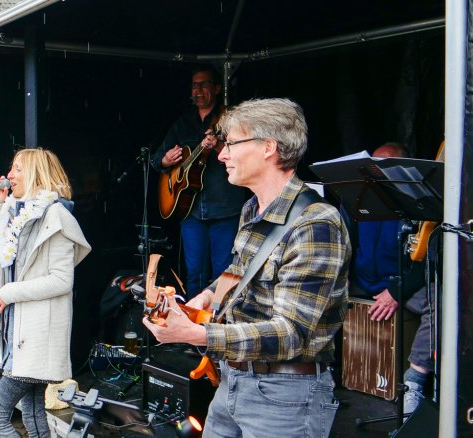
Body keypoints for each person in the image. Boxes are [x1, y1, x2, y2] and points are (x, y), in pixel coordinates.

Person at [143, 98, 350, 437]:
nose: (222, 154)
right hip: (233, 383)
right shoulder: (252, 208)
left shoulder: (315, 223)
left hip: (285, 397)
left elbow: (291, 333)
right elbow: (238, 273)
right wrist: (204, 300)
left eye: (231, 144)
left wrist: (197, 334)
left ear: (269, 147)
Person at [0, 148, 92, 438]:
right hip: (15, 331)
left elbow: (62, 281)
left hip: (37, 335)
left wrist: (11, 291)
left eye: (18, 168)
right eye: (11, 168)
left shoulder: (56, 216)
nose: (10, 175)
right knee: (32, 411)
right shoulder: (12, 212)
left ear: (36, 174)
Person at [348, 142, 433, 415]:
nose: (376, 174)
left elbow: (430, 260)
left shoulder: (420, 206)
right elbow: (344, 244)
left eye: (384, 167)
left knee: (441, 303)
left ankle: (414, 382)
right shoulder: (358, 200)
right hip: (363, 280)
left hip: (402, 286)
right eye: (373, 166)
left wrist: (397, 291)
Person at [151, 65, 248, 298]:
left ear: (216, 88)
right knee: (194, 274)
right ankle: (193, 327)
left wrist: (218, 146)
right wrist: (165, 160)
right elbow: (155, 159)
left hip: (224, 209)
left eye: (204, 84)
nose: (198, 90)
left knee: (223, 275)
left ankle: (218, 327)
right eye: (195, 85)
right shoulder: (182, 123)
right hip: (191, 212)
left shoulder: (229, 120)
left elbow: (246, 158)